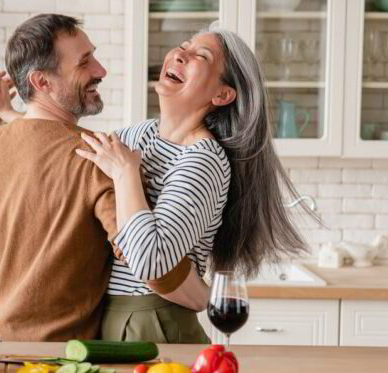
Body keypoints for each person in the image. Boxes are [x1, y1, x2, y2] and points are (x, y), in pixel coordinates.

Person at [0, 14, 199, 341]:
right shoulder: (97, 157)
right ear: (42, 82)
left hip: (0, 349)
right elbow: (150, 263)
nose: (100, 70)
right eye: (84, 63)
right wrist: (206, 297)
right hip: (65, 358)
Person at [72, 25, 313, 342]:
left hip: (154, 324)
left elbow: (151, 261)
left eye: (201, 56)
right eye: (183, 46)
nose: (179, 54)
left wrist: (126, 175)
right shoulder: (137, 135)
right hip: (109, 317)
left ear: (222, 94)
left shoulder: (203, 161)